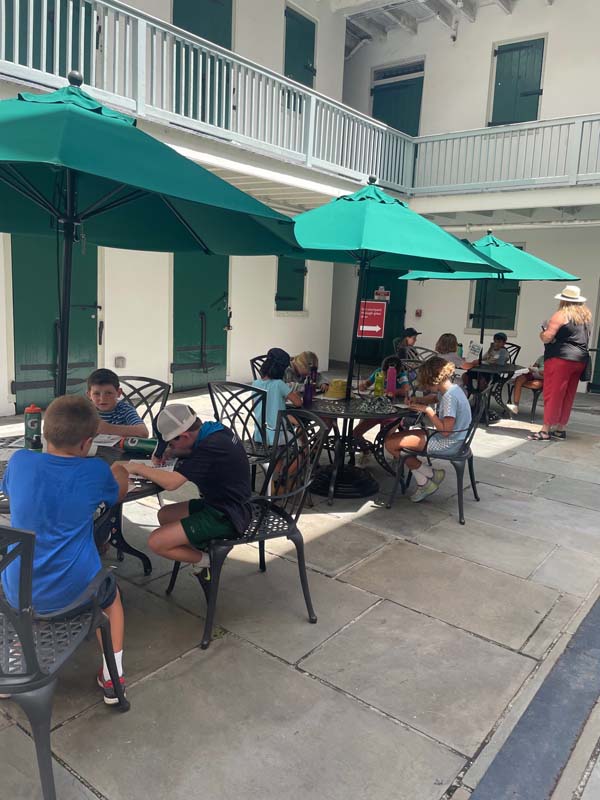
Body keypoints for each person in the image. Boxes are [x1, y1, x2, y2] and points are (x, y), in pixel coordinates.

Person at [1, 396, 129, 704]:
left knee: (26, 580)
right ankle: (113, 677)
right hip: (75, 593)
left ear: (44, 432)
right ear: (87, 442)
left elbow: (10, 490)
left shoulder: (20, 461)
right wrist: (122, 470)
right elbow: (117, 495)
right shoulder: (96, 471)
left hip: (17, 592)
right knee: (112, 600)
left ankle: (17, 657)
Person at [119, 404, 252, 569]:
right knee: (165, 515)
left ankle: (208, 561)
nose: (169, 447)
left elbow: (172, 483)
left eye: (171, 444)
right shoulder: (214, 430)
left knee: (156, 542)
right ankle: (201, 547)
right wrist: (173, 452)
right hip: (220, 502)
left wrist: (138, 468)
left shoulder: (210, 447)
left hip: (228, 515)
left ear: (184, 436)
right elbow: (193, 451)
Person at [385, 357, 472, 503]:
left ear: (433, 380)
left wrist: (428, 411)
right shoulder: (453, 389)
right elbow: (434, 397)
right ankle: (428, 477)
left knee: (390, 444)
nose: (425, 388)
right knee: (397, 439)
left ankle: (427, 478)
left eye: (427, 384)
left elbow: (446, 431)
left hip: (448, 443)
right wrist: (418, 400)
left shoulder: (449, 399)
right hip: (457, 439)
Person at [529, 285, 592, 441]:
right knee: (568, 395)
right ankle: (560, 428)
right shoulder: (585, 317)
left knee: (553, 393)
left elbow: (547, 337)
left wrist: (542, 331)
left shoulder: (561, 315)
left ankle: (545, 430)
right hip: (580, 359)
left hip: (561, 359)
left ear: (563, 300)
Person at [353, 355, 412, 446]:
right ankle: (366, 450)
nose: (386, 376)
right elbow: (368, 383)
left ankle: (396, 457)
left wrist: (390, 391)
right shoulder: (378, 372)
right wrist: (364, 385)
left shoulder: (401, 376)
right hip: (375, 410)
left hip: (393, 412)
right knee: (356, 433)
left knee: (386, 439)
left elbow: (406, 390)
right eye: (385, 372)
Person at [252, 348, 302, 445]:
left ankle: (278, 459)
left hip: (259, 435)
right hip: (277, 436)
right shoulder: (279, 384)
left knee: (283, 450)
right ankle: (300, 458)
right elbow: (298, 403)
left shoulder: (255, 383)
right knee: (300, 445)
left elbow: (254, 407)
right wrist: (295, 394)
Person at [87, 368, 148, 437]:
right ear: (89, 395)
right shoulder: (85, 411)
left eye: (108, 393)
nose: (102, 399)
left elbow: (143, 432)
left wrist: (108, 428)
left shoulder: (125, 410)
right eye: (96, 394)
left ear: (119, 393)